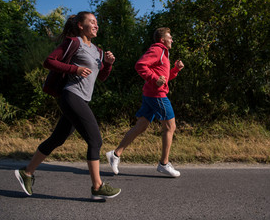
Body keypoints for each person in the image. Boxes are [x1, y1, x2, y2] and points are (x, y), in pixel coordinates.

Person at [14, 11, 121, 200]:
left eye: (97, 22)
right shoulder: (74, 42)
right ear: (80, 25)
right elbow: (49, 61)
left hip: (82, 99)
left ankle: (27, 173)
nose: (96, 25)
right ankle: (97, 186)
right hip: (71, 96)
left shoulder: (98, 51)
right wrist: (75, 69)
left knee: (57, 139)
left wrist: (108, 64)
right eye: (92, 22)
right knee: (95, 140)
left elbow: (101, 77)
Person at [106, 27, 184, 177]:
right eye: (170, 37)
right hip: (157, 95)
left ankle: (115, 154)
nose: (172, 40)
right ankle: (164, 164)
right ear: (162, 40)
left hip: (151, 94)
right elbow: (140, 65)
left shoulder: (164, 54)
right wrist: (154, 79)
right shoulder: (157, 50)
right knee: (170, 126)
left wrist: (175, 69)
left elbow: (164, 79)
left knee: (141, 126)